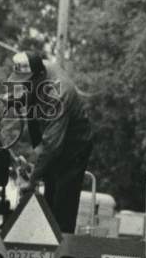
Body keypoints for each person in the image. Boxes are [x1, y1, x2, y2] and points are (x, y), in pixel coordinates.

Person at [11, 51, 93, 234]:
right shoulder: (37, 70)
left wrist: (32, 179)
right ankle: (47, 237)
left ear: (39, 77)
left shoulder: (59, 94)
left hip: (74, 146)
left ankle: (62, 239)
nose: (23, 86)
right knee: (48, 198)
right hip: (51, 136)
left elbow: (51, 146)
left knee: (62, 203)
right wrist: (14, 101)